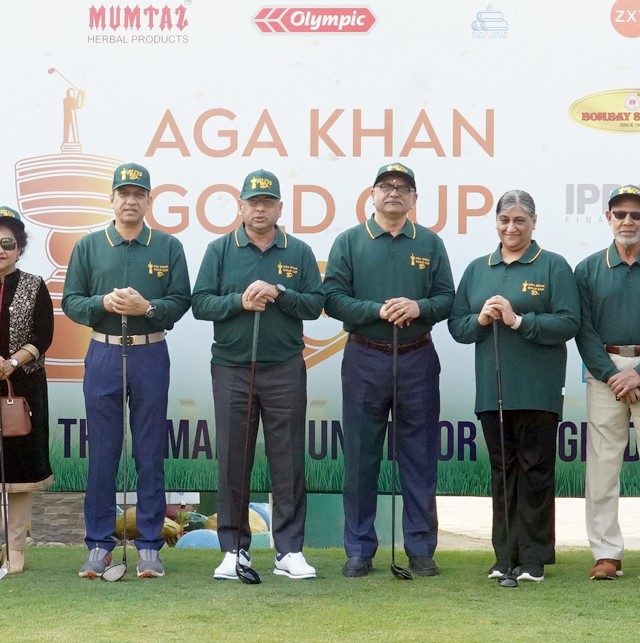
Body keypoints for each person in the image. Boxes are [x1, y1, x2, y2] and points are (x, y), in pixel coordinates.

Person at [192, 169, 324, 580]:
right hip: (232, 367)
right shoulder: (220, 250)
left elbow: (315, 304)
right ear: (241, 206)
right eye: (253, 202)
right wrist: (240, 301)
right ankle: (234, 550)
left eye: (267, 202)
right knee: (234, 459)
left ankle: (289, 551)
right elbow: (200, 303)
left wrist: (280, 293)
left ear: (280, 208)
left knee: (288, 460)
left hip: (284, 367)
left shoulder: (298, 251)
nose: (260, 208)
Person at [324, 162, 454, 577]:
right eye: (385, 186)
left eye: (403, 187)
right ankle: (360, 548)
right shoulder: (350, 241)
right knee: (361, 456)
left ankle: (420, 548)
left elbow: (447, 299)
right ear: (372, 195)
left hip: (417, 356)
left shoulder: (430, 243)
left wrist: (419, 307)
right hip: (365, 356)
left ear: (414, 198)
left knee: (420, 456)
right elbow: (332, 298)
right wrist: (375, 311)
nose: (394, 192)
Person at [62, 163, 191, 579]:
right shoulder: (89, 246)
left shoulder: (167, 246)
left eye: (138, 194)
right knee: (102, 451)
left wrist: (147, 308)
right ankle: (100, 544)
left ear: (149, 201)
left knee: (150, 451)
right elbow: (71, 301)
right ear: (112, 199)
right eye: (124, 193)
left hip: (150, 354)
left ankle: (149, 545)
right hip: (103, 352)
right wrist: (102, 303)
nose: (131, 200)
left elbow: (181, 301)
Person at [448, 189, 580, 583]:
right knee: (502, 471)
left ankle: (534, 559)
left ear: (534, 222)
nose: (512, 228)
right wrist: (481, 320)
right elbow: (457, 326)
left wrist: (518, 320)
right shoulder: (478, 268)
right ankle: (505, 557)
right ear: (496, 223)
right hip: (493, 392)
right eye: (505, 220)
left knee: (535, 470)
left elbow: (569, 322)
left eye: (520, 220)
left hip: (538, 390)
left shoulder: (553, 266)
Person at [575, 184, 640, 581]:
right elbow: (583, 329)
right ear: (608, 218)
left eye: (636, 215)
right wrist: (613, 374)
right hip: (606, 372)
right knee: (602, 465)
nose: (628, 221)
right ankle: (606, 553)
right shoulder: (587, 269)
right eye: (620, 214)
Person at [0, 206, 53, 574]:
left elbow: (43, 334)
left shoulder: (34, 285)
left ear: (20, 248)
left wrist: (12, 362)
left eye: (8, 243)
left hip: (22, 389)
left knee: (18, 472)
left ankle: (15, 549)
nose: (1, 250)